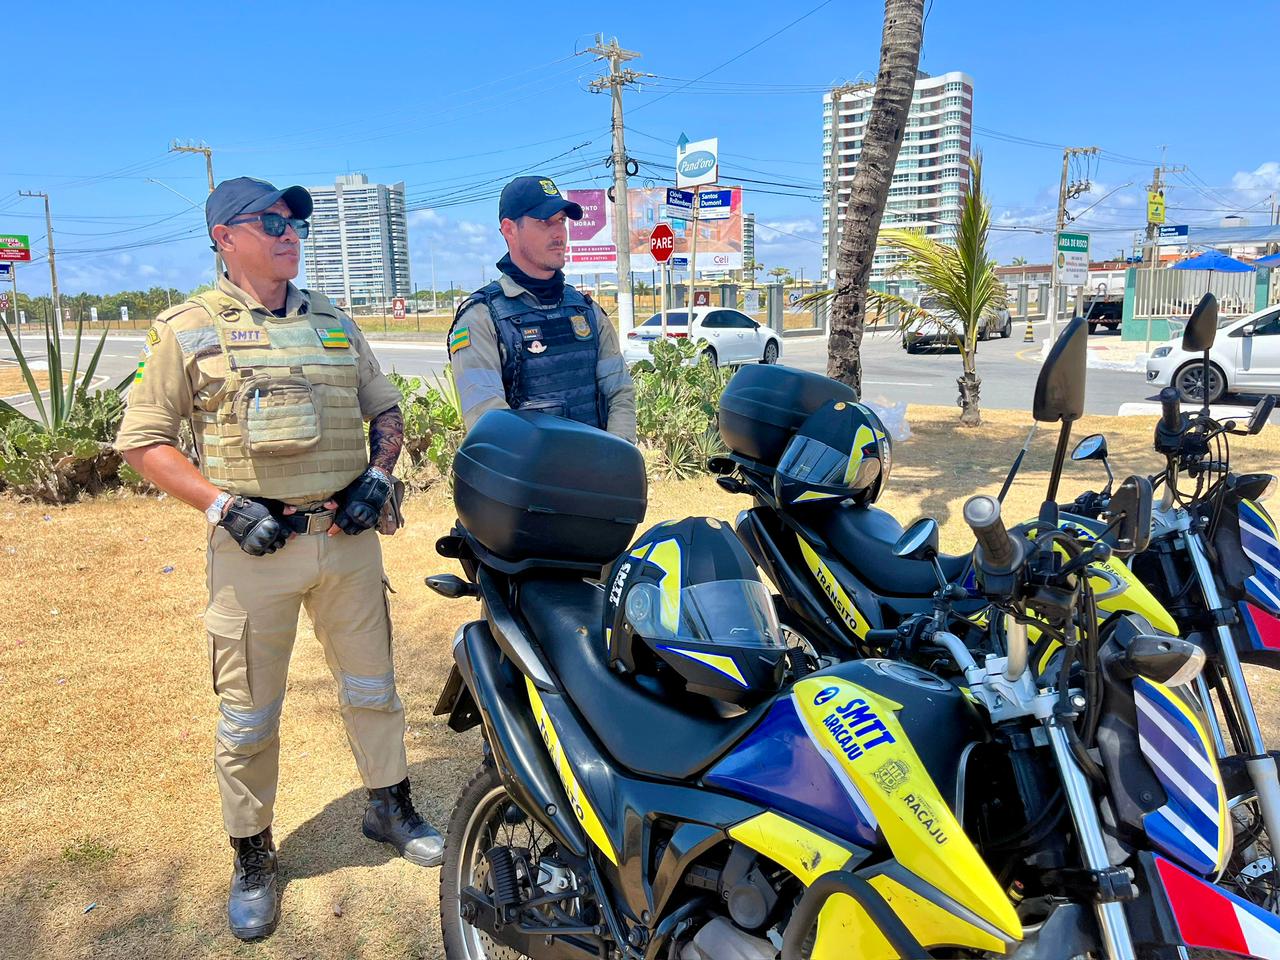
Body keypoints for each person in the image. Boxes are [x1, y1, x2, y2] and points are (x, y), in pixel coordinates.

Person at [115, 177, 442, 942]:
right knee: (249, 714)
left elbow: (385, 409)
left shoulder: (334, 321)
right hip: (252, 553)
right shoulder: (187, 329)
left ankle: (386, 805)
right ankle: (253, 854)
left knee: (374, 687)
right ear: (225, 237)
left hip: (347, 544)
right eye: (270, 221)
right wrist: (221, 506)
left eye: (295, 220)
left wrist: (378, 476)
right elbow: (143, 441)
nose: (289, 231)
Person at [447, 175, 636, 441]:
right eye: (545, 222)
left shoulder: (587, 312)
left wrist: (616, 456)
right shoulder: (480, 318)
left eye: (561, 221)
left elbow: (620, 392)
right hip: (527, 480)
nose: (559, 232)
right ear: (510, 229)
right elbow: (488, 422)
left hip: (598, 476)